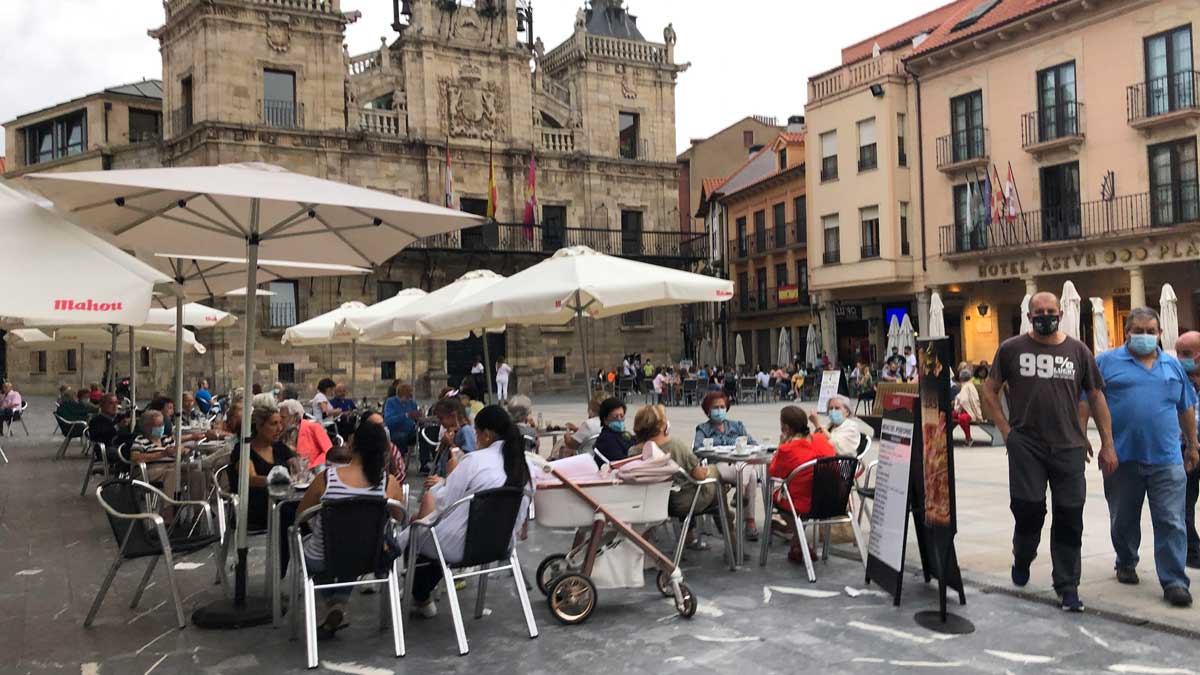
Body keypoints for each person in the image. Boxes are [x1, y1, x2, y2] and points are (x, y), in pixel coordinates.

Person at [980, 291, 1116, 612]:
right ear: (1028, 316)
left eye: (1050, 310)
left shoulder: (1078, 351)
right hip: (1026, 444)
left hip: (1068, 446)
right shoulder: (1011, 349)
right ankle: (1023, 556)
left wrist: (1107, 443)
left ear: (1060, 314)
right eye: (1038, 311)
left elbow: (1096, 397)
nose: (1045, 315)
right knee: (1029, 508)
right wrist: (1006, 431)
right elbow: (989, 390)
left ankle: (1067, 584)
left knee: (1070, 514)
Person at [1091, 307, 1197, 608]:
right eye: (1139, 331)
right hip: (1121, 458)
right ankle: (1126, 559)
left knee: (1172, 521)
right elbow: (1090, 402)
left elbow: (1186, 406)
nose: (1145, 336)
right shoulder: (1106, 362)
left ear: (1161, 334)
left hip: (1167, 458)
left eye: (1151, 331)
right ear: (1126, 332)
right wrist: (1101, 443)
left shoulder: (1173, 366)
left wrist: (1192, 445)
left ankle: (1175, 581)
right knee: (1123, 519)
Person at [404, 405, 534, 618]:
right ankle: (422, 595)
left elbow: (445, 502)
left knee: (417, 533)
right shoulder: (524, 465)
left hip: (463, 545)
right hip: (501, 544)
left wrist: (446, 480)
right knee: (435, 536)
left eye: (476, 432)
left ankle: (421, 597)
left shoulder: (474, 461)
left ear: (486, 434)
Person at [298, 419, 407, 635]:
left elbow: (300, 515)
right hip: (369, 558)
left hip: (325, 558)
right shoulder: (389, 483)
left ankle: (333, 604)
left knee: (319, 546)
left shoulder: (326, 479)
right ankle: (338, 604)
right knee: (355, 544)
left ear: (352, 445)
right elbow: (399, 516)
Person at [632, 404, 719, 549]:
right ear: (661, 426)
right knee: (715, 475)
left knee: (682, 484)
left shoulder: (633, 451)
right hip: (681, 502)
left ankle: (694, 535)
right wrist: (709, 471)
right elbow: (699, 475)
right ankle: (730, 535)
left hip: (652, 504)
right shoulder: (675, 446)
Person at [769, 405, 837, 563]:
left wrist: (781, 446)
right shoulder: (820, 439)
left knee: (778, 498)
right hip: (832, 501)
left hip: (804, 504)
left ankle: (801, 543)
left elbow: (773, 472)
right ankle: (797, 545)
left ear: (785, 427)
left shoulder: (788, 449)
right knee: (804, 491)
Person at [693, 391, 760, 539]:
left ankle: (749, 520)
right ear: (708, 410)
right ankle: (748, 519)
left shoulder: (737, 425)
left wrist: (742, 446)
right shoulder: (703, 429)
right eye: (715, 407)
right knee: (751, 474)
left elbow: (753, 444)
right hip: (718, 466)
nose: (719, 410)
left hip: (739, 465)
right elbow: (697, 449)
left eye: (722, 406)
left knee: (752, 473)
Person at [232, 404, 298, 531]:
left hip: (283, 500)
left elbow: (297, 468)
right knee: (294, 513)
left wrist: (300, 470)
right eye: (273, 424)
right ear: (259, 426)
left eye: (280, 423)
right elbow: (250, 479)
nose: (280, 428)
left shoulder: (279, 447)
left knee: (310, 507)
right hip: (257, 506)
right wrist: (276, 480)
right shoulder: (244, 449)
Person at [1174, 330, 1200, 570]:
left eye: (1187, 354)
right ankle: (1193, 552)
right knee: (1184, 505)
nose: (1181, 358)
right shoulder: (1175, 378)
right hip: (1185, 448)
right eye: (1178, 352)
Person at [280, 398, 333, 467]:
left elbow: (329, 451)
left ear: (295, 416)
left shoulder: (313, 427)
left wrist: (312, 467)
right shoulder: (281, 433)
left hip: (314, 470)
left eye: (283, 417)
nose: (280, 421)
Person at [431, 397, 476, 477]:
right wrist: (443, 444)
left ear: (453, 415)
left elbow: (467, 458)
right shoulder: (452, 431)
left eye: (441, 418)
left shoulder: (466, 431)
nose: (440, 422)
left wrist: (451, 443)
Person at [812, 395, 864, 459]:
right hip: (826, 460)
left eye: (837, 408)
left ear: (847, 412)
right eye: (831, 408)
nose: (833, 411)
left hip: (842, 464)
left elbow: (835, 444)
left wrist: (817, 424)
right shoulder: (830, 426)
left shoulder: (852, 427)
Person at [594, 398, 634, 465]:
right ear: (605, 420)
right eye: (615, 417)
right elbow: (620, 462)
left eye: (621, 416)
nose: (619, 419)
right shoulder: (606, 439)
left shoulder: (623, 433)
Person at [383, 382, 420, 451]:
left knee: (423, 434)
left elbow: (415, 418)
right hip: (395, 432)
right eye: (407, 396)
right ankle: (400, 458)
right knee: (401, 437)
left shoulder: (412, 403)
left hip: (411, 431)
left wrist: (419, 416)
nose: (409, 398)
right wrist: (405, 415)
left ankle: (425, 459)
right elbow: (388, 421)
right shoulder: (390, 402)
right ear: (400, 395)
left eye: (410, 396)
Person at [953, 369, 984, 446]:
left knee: (962, 418)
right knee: (949, 416)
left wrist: (959, 408)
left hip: (969, 412)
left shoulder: (968, 386)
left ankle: (968, 438)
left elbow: (964, 401)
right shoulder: (966, 385)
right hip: (963, 410)